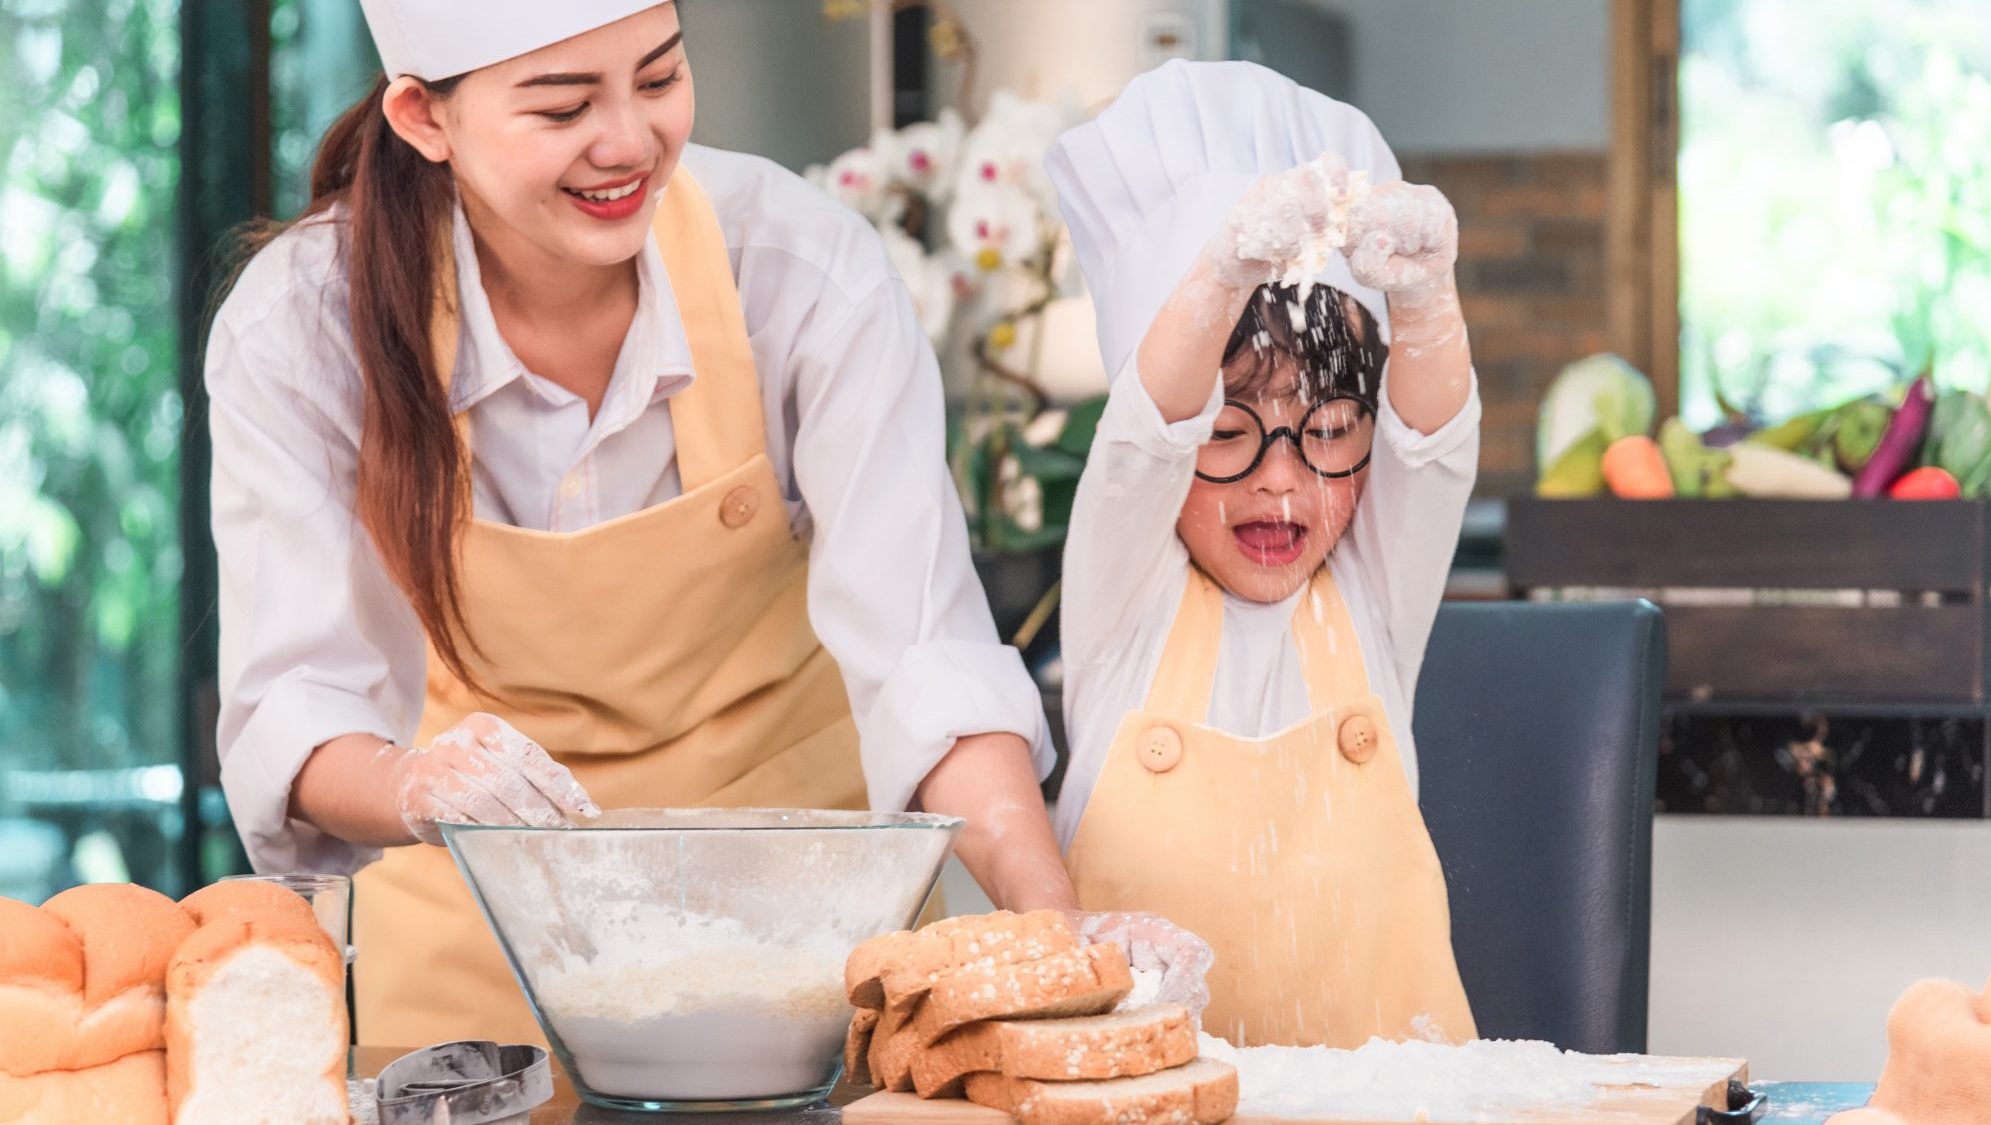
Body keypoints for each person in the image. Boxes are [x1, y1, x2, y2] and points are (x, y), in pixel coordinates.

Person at [207, 0, 1079, 1045]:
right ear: (422, 118)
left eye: (658, 79)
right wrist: (418, 786)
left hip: (806, 932)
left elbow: (926, 655)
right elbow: (292, 704)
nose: (628, 143)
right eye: (564, 105)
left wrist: (1058, 932)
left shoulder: (801, 273)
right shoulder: (302, 320)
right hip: (475, 944)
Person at [1045, 59, 1482, 1048]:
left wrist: (1424, 308)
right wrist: (1220, 275)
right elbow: (1142, 436)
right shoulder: (1125, 593)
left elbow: (1434, 447)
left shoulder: (1371, 591)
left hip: (1391, 1112)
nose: (1281, 484)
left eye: (1327, 431)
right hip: (1139, 1103)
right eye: (1228, 434)